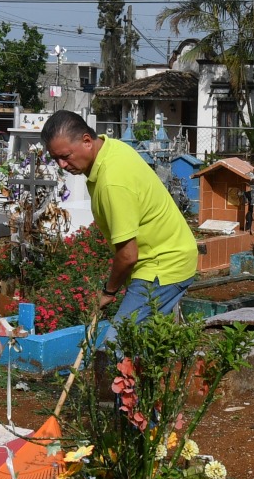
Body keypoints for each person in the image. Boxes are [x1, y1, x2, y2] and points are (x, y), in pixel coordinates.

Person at [41, 110, 198, 322]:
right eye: (55, 158)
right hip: (160, 256)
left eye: (65, 156)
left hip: (165, 263)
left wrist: (108, 293)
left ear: (87, 141)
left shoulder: (112, 181)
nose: (61, 165)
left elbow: (128, 255)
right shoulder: (110, 148)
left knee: (118, 344)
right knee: (142, 341)